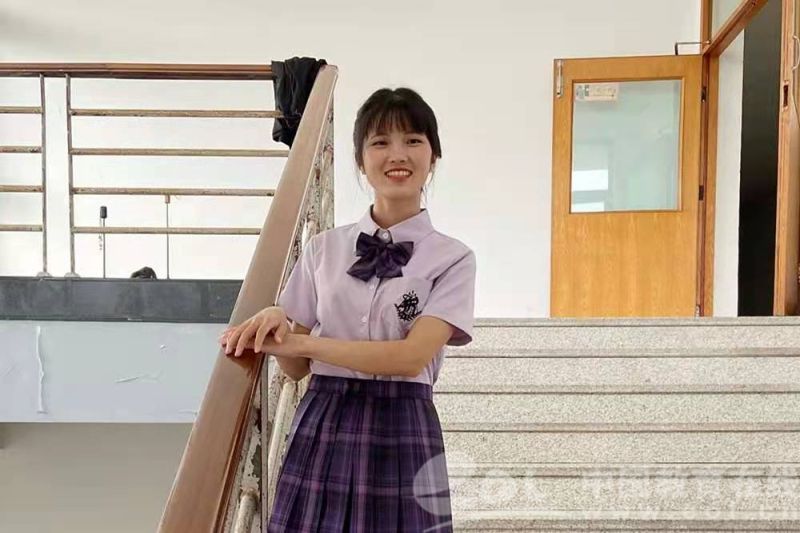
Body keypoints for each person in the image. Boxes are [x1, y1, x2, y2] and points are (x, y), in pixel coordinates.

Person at [220, 87, 477, 532]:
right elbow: (296, 368)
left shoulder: (453, 258)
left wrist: (304, 342)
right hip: (325, 416)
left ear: (433, 156)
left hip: (403, 422)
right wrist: (277, 321)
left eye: (413, 140)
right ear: (360, 160)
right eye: (380, 142)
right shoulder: (323, 249)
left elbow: (410, 358)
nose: (397, 154)